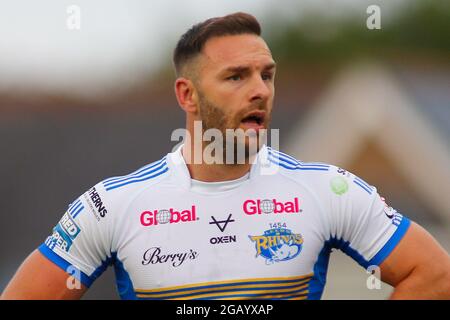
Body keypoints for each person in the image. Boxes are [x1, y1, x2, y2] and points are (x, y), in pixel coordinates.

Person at [2, 12, 450, 300]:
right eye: (236, 76)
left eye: (267, 74)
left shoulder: (327, 189)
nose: (260, 90)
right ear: (188, 94)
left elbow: (433, 274)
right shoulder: (111, 206)